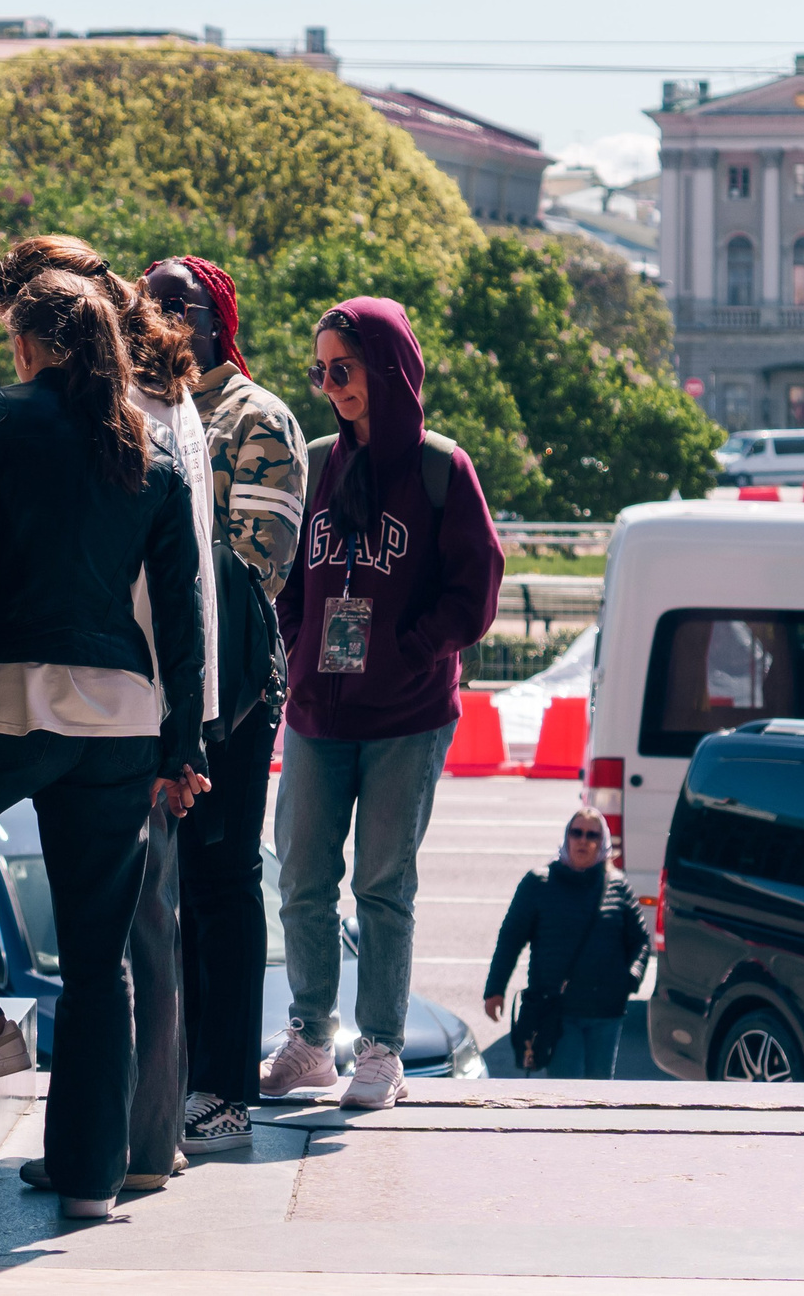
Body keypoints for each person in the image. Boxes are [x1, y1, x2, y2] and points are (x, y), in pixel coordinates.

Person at [0, 269, 209, 1220]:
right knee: (100, 959)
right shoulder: (147, 448)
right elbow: (181, 613)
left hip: (5, 702)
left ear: (25, 344)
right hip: (120, 723)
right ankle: (90, 1180)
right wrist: (181, 744)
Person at [0, 237, 219, 1193]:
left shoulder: (119, 405)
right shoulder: (167, 390)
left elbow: (154, 577)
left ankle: (115, 1148)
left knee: (118, 935)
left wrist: (171, 732)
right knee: (141, 929)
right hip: (152, 694)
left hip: (120, 695)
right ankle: (141, 1146)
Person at [263, 299, 505, 1111]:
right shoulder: (316, 461)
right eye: (320, 371)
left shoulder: (442, 469)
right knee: (302, 876)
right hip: (318, 711)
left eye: (344, 368)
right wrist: (300, 647)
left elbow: (476, 590)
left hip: (407, 712)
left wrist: (409, 649)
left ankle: (381, 1049)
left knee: (381, 882)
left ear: (387, 366)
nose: (331, 385)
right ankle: (310, 1039)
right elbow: (286, 578)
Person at [142, 257, 305, 1157]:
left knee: (224, 879)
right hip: (154, 685)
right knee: (164, 891)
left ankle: (227, 1092)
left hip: (232, 687)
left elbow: (257, 571)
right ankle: (176, 1079)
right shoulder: (134, 409)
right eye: (151, 301)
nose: (165, 315)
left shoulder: (257, 417)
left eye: (185, 303)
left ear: (218, 320)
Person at [481, 808, 650, 1078]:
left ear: (603, 843)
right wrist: (495, 990)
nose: (583, 841)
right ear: (566, 837)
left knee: (600, 1094)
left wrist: (629, 979)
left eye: (592, 835)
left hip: (606, 1012)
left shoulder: (617, 886)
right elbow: (510, 939)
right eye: (576, 833)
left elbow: (640, 941)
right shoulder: (539, 883)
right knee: (566, 1091)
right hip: (558, 1012)